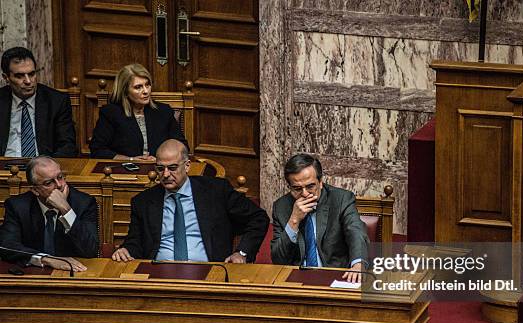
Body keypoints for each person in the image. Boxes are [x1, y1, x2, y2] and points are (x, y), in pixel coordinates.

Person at [112, 139, 269, 263]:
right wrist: (126, 250)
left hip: (210, 271)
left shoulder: (216, 191)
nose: (165, 174)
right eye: (160, 168)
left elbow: (258, 218)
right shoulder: (143, 201)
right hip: (159, 274)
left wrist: (242, 253)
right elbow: (135, 242)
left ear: (187, 166)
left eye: (172, 168)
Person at [271, 153, 369, 283]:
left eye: (310, 186)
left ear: (321, 182)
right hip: (297, 281)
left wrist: (358, 264)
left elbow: (356, 232)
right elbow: (278, 260)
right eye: (297, 189)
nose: (305, 194)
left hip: (335, 276)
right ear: (289, 187)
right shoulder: (281, 207)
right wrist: (294, 220)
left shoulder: (341, 199)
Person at [0, 156, 99, 271]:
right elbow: (7, 246)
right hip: (33, 274)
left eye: (60, 177)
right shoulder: (18, 206)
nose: (59, 185)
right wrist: (47, 259)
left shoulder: (84, 203)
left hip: (75, 273)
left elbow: (90, 250)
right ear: (35, 190)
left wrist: (66, 210)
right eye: (48, 182)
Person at [89, 63, 187, 161]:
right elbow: (97, 149)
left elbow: (182, 146)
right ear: (125, 91)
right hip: (124, 171)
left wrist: (160, 160)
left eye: (147, 85)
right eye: (138, 87)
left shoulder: (164, 111)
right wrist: (130, 159)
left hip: (161, 170)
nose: (146, 91)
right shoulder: (111, 113)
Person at [0, 47, 77, 157]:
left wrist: (47, 166)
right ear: (6, 77)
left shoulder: (56, 101)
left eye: (31, 74)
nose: (28, 81)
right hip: (3, 167)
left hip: (43, 168)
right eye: (19, 76)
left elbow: (67, 146)